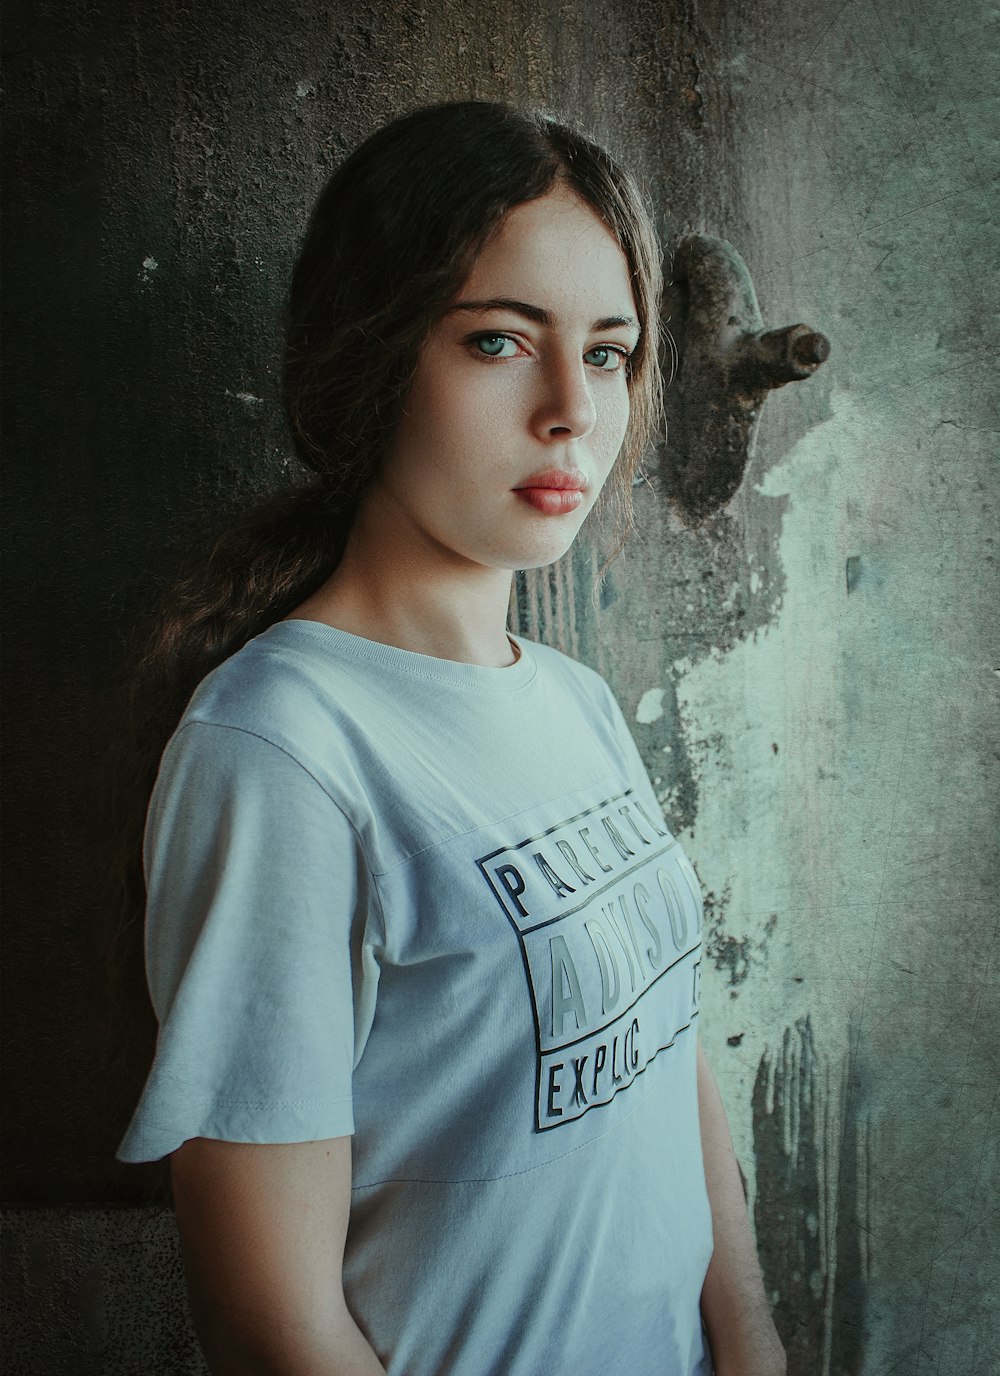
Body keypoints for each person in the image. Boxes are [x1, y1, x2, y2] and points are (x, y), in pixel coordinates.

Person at [114, 101, 785, 1376]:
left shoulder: (576, 700)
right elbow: (274, 1324)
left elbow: (665, 1053)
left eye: (606, 353)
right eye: (496, 340)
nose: (569, 412)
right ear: (372, 357)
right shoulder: (281, 747)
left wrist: (749, 1341)